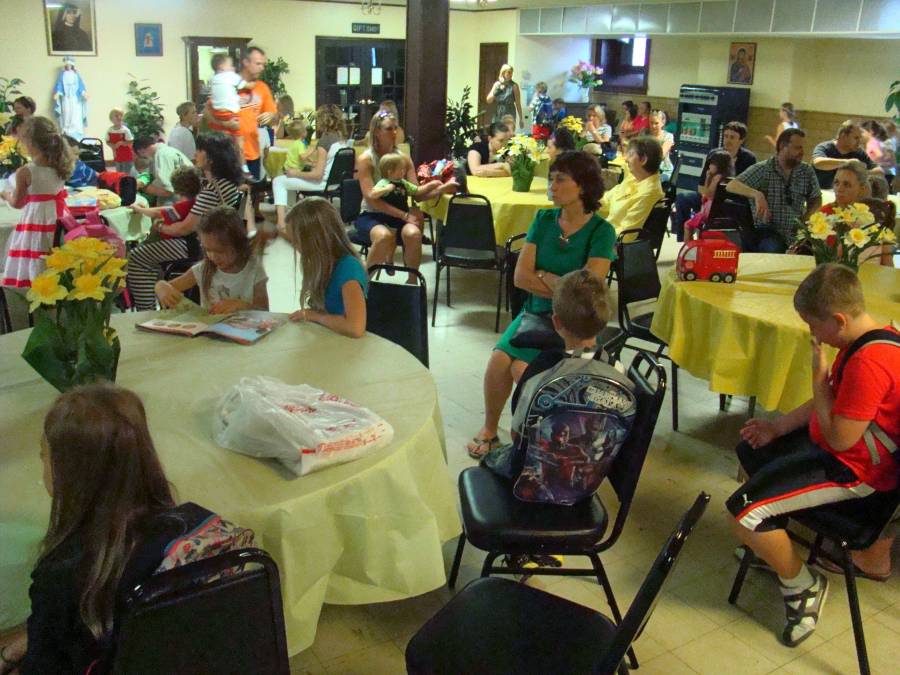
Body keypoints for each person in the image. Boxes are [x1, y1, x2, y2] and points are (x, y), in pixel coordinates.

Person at [0, 384, 230, 673]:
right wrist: (28, 641)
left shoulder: (61, 574)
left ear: (65, 472)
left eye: (43, 454)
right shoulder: (195, 523)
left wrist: (11, 657)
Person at [727, 264, 899, 646]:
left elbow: (840, 438)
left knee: (743, 512)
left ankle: (803, 586)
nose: (813, 335)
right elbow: (833, 401)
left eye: (813, 325)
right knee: (752, 451)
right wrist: (777, 428)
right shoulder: (871, 338)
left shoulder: (870, 362)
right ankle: (774, 547)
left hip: (856, 476)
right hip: (842, 454)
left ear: (838, 320)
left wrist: (818, 380)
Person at [466, 151, 616, 459]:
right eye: (551, 178)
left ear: (582, 186)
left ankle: (536, 442)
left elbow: (586, 292)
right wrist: (563, 283)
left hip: (573, 323)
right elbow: (521, 277)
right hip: (534, 312)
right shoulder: (544, 219)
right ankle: (490, 430)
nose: (552, 185)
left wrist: (544, 275)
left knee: (522, 369)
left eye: (560, 179)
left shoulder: (602, 231)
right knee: (499, 359)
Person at [484, 269, 631, 479]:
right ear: (603, 323)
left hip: (532, 479)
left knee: (489, 459)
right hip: (588, 476)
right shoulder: (618, 372)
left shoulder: (541, 372)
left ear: (556, 322)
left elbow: (518, 434)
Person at [127, 133, 243, 311]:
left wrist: (160, 226)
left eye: (200, 150)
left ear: (211, 158)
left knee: (136, 257)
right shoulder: (226, 185)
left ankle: (146, 310)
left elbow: (185, 228)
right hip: (215, 242)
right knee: (149, 254)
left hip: (197, 246)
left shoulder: (212, 191)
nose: (195, 154)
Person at [356, 111, 452, 280]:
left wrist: (441, 188)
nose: (394, 132)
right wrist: (404, 215)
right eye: (388, 129)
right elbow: (372, 199)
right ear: (376, 131)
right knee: (383, 236)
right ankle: (364, 284)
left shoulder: (404, 159)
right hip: (372, 214)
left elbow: (416, 194)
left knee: (413, 234)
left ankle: (412, 283)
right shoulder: (366, 159)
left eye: (396, 128)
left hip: (399, 215)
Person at [0, 117, 73, 290]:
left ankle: (36, 285)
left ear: (30, 142)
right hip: (59, 215)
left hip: (36, 218)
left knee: (36, 249)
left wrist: (5, 195)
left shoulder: (26, 171)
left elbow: (18, 203)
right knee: (54, 248)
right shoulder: (60, 166)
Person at [155, 206, 268, 314]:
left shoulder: (254, 269)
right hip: (208, 327)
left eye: (220, 251)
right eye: (207, 250)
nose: (213, 257)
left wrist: (243, 306)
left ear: (239, 244)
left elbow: (264, 311)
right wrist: (161, 287)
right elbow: (168, 286)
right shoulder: (203, 269)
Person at [726, 128, 821, 252]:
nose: (802, 152)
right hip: (768, 231)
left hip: (797, 232)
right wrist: (757, 194)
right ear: (782, 147)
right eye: (798, 148)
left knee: (818, 252)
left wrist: (806, 219)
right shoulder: (764, 169)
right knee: (774, 249)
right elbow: (732, 185)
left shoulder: (806, 171)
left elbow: (816, 198)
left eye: (802, 148)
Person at [285, 197, 367, 338]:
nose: (295, 246)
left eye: (297, 241)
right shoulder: (324, 264)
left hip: (346, 344)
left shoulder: (348, 268)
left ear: (314, 240)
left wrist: (315, 316)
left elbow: (355, 328)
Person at [672, 121, 757, 240]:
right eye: (726, 136)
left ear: (741, 140)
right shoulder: (715, 154)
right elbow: (701, 185)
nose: (727, 140)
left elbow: (749, 186)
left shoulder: (749, 158)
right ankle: (684, 240)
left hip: (732, 199)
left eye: (732, 137)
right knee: (683, 198)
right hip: (710, 194)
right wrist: (707, 195)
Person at [272, 106, 349, 233]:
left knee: (278, 181)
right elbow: (329, 164)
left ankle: (281, 224)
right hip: (334, 183)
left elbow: (317, 175)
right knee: (288, 180)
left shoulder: (325, 141)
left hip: (322, 183)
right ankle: (292, 219)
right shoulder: (341, 140)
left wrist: (296, 173)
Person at [205, 46, 276, 180]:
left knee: (250, 191)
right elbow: (207, 113)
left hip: (252, 153)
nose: (262, 68)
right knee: (227, 191)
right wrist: (224, 123)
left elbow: (274, 116)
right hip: (226, 154)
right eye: (258, 63)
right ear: (246, 62)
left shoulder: (262, 88)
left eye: (263, 64)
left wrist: (272, 116)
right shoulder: (228, 81)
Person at [597, 136, 666, 236]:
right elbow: (607, 200)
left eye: (630, 155)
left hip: (609, 239)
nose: (626, 159)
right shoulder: (633, 178)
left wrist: (595, 237)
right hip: (603, 229)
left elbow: (627, 234)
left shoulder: (648, 193)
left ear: (643, 159)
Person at [130, 164, 203, 238]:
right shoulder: (196, 201)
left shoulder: (182, 207)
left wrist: (139, 209)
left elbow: (158, 213)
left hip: (171, 239)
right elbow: (165, 210)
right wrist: (144, 209)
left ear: (175, 187)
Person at [811, 120, 882, 189]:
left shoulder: (859, 152)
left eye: (860, 138)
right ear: (843, 135)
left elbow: (879, 171)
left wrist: (863, 173)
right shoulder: (824, 147)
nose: (859, 142)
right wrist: (847, 163)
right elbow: (818, 163)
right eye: (856, 138)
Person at [206, 53, 247, 171]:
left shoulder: (239, 97)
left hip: (240, 155)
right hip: (221, 150)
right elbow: (208, 116)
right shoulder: (216, 99)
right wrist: (225, 124)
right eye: (231, 66)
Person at [684, 150, 732, 241]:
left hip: (709, 214)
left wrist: (707, 178)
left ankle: (689, 247)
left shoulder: (717, 178)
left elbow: (707, 195)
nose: (709, 166)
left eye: (712, 164)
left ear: (719, 165)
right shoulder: (725, 177)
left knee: (687, 225)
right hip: (713, 212)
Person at [133, 136, 191, 205]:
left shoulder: (162, 155)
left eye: (142, 157)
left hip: (180, 199)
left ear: (140, 151)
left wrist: (145, 188)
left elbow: (167, 190)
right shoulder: (166, 151)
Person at [52, 57, 88, 140]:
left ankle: (76, 130)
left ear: (72, 65)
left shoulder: (76, 75)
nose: (68, 66)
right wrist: (58, 93)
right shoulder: (62, 75)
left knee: (76, 113)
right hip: (66, 97)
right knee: (67, 112)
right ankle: (67, 130)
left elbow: (80, 85)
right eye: (67, 65)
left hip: (75, 98)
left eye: (70, 65)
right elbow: (59, 85)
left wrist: (84, 93)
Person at [861, 119, 896, 184]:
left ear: (870, 132)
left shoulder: (874, 143)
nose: (860, 135)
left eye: (862, 132)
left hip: (885, 175)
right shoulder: (870, 144)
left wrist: (870, 169)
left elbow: (881, 156)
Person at [647, 110, 675, 182]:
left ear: (663, 123)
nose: (653, 126)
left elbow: (661, 155)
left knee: (650, 182)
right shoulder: (646, 135)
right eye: (651, 123)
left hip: (663, 171)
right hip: (647, 169)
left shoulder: (668, 136)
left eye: (656, 123)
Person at [105, 107, 134, 174]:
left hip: (127, 155)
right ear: (111, 119)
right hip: (117, 155)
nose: (119, 117)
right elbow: (107, 141)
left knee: (127, 171)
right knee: (119, 171)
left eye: (121, 115)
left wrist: (122, 143)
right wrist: (112, 146)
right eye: (116, 116)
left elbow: (130, 141)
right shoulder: (110, 130)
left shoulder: (125, 130)